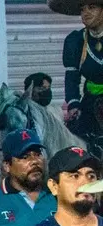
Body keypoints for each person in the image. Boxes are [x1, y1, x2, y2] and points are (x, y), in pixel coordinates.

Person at [59, 1, 103, 146]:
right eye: (82, 9)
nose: (85, 13)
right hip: (92, 103)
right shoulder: (76, 40)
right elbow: (72, 78)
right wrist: (73, 104)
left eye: (92, 7)